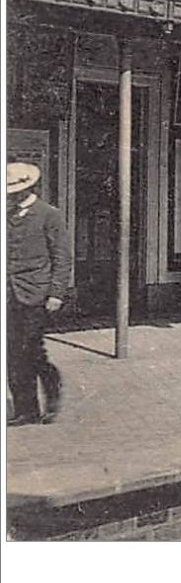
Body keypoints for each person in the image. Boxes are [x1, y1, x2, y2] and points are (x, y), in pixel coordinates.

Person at [7, 162, 72, 427]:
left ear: (30, 187)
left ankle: (52, 389)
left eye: (17, 190)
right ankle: (26, 410)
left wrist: (56, 292)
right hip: (9, 294)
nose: (12, 195)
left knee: (31, 351)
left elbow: (62, 256)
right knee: (11, 353)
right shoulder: (7, 214)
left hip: (36, 294)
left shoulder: (49, 215)